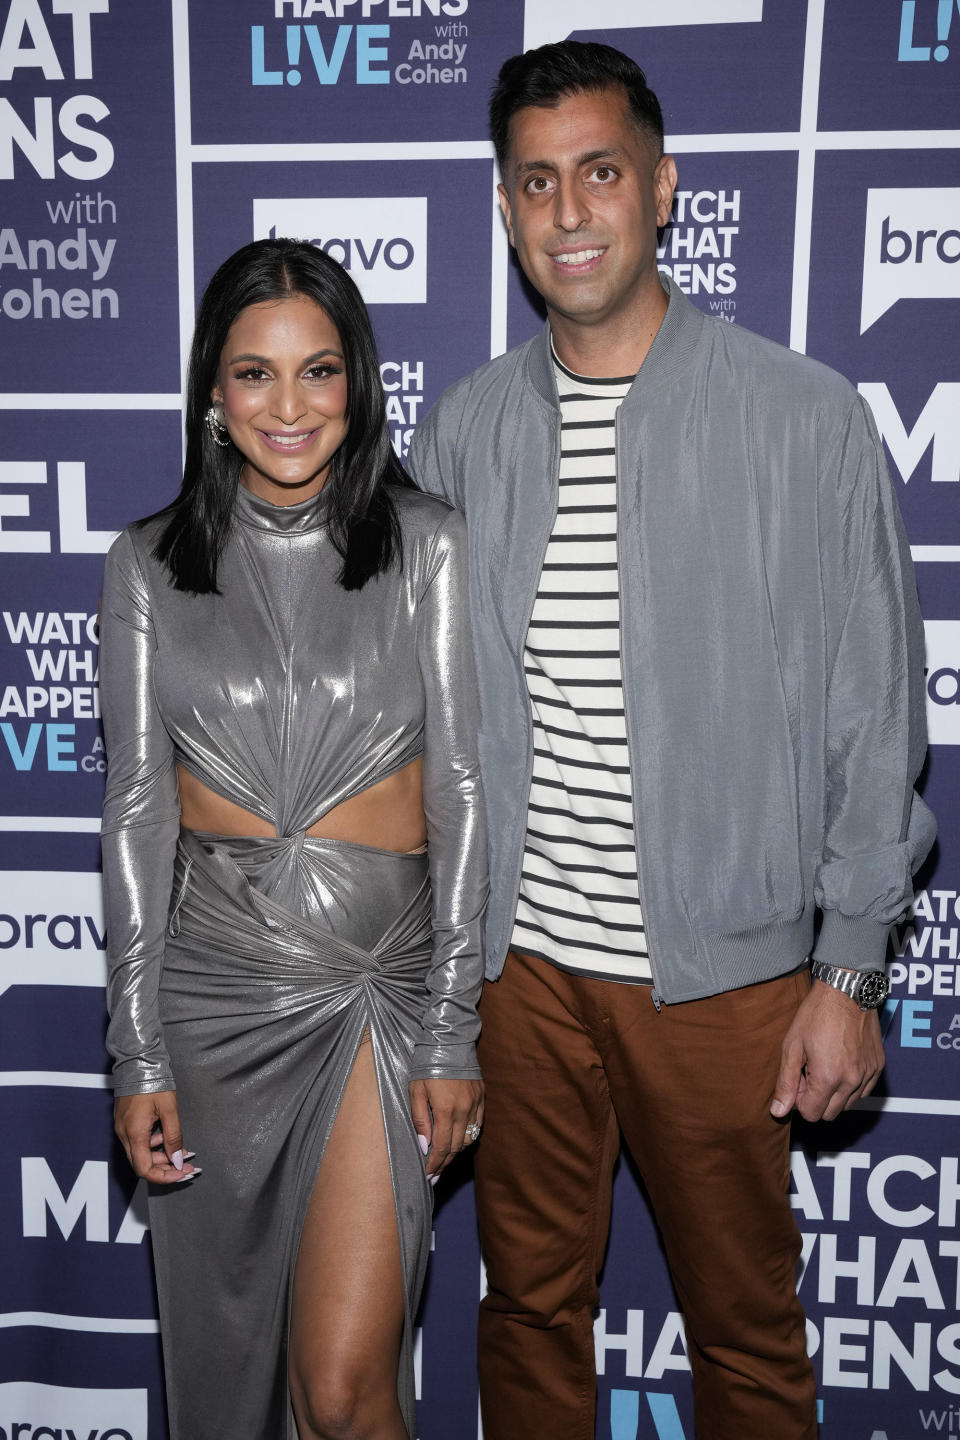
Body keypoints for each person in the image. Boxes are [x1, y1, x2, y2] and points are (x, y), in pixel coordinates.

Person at [408, 40, 933, 1440]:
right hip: (519, 980)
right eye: (536, 182)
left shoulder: (802, 417)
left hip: (727, 984)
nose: (569, 211)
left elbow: (876, 710)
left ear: (661, 188)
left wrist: (850, 968)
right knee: (524, 1311)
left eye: (597, 173)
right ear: (508, 210)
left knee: (748, 1336)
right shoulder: (462, 431)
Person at [99, 237, 486, 1440]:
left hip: (376, 999)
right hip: (214, 1006)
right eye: (254, 374)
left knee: (344, 1387)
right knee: (226, 1395)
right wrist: (137, 1050)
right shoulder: (147, 567)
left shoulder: (428, 543)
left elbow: (463, 791)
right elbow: (136, 815)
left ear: (357, 386)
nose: (289, 405)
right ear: (213, 396)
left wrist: (452, 1024)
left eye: (319, 372)